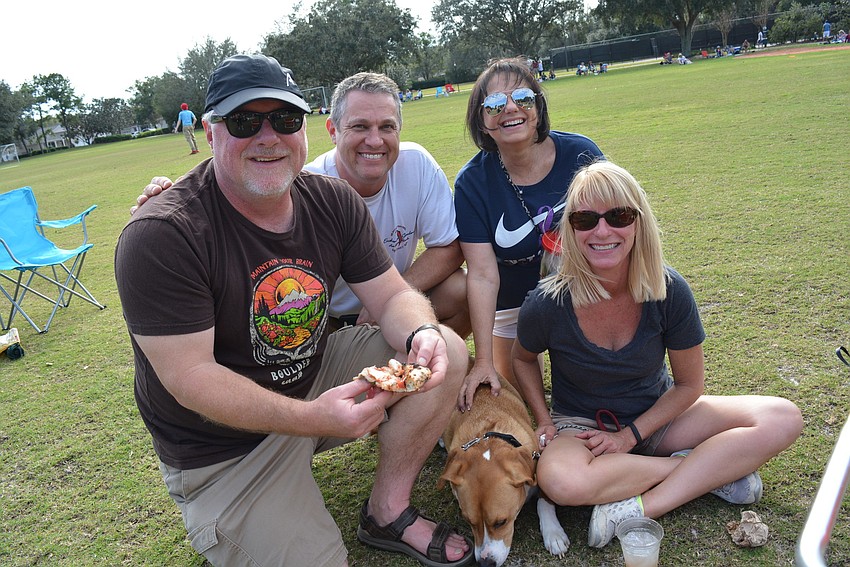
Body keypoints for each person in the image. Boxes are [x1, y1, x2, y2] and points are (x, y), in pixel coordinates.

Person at [115, 53, 473, 567]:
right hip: (225, 449)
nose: (269, 137)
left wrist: (421, 332)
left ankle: (387, 511)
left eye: (284, 119)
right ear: (211, 132)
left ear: (304, 128)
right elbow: (191, 378)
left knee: (446, 351)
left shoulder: (332, 200)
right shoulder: (163, 234)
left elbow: (393, 296)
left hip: (312, 379)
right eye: (244, 121)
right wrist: (312, 418)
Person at [512, 160, 803, 548]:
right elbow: (522, 358)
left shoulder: (668, 289)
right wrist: (545, 419)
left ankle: (639, 508)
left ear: (639, 222)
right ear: (571, 228)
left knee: (782, 417)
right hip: (581, 428)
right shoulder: (548, 302)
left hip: (658, 416)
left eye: (618, 216)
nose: (602, 231)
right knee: (560, 482)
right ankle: (704, 471)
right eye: (585, 219)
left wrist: (629, 437)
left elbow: (689, 385)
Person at [134, 72, 470, 338]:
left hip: (389, 301)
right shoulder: (301, 184)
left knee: (461, 290)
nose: (374, 140)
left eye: (387, 127)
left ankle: (418, 380)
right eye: (359, 126)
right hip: (318, 319)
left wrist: (392, 299)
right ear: (332, 131)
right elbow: (234, 187)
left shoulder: (416, 164)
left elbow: (449, 246)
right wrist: (170, 206)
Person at [453, 57, 603, 409]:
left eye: (522, 98)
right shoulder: (472, 183)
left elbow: (619, 230)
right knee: (514, 397)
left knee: (593, 393)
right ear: (482, 121)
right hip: (513, 304)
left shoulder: (581, 153)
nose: (510, 109)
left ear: (538, 106)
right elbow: (482, 274)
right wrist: (484, 361)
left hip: (583, 291)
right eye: (494, 104)